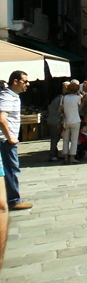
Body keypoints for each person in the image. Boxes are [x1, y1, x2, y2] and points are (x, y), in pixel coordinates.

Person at [0, 71, 33, 210]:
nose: (27, 84)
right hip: (5, 140)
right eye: (24, 81)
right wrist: (10, 138)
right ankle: (14, 200)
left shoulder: (13, 96)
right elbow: (2, 118)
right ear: (15, 81)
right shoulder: (8, 97)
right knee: (11, 169)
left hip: (6, 138)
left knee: (9, 169)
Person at [60, 82, 82, 165]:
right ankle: (72, 158)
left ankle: (65, 157)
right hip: (75, 120)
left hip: (66, 121)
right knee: (74, 140)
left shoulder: (64, 97)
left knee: (65, 140)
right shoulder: (77, 98)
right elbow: (80, 107)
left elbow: (60, 109)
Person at [46, 81, 69, 162]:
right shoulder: (61, 98)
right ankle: (52, 155)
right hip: (56, 120)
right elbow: (60, 109)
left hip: (50, 119)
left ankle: (55, 154)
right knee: (55, 138)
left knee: (54, 137)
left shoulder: (52, 98)